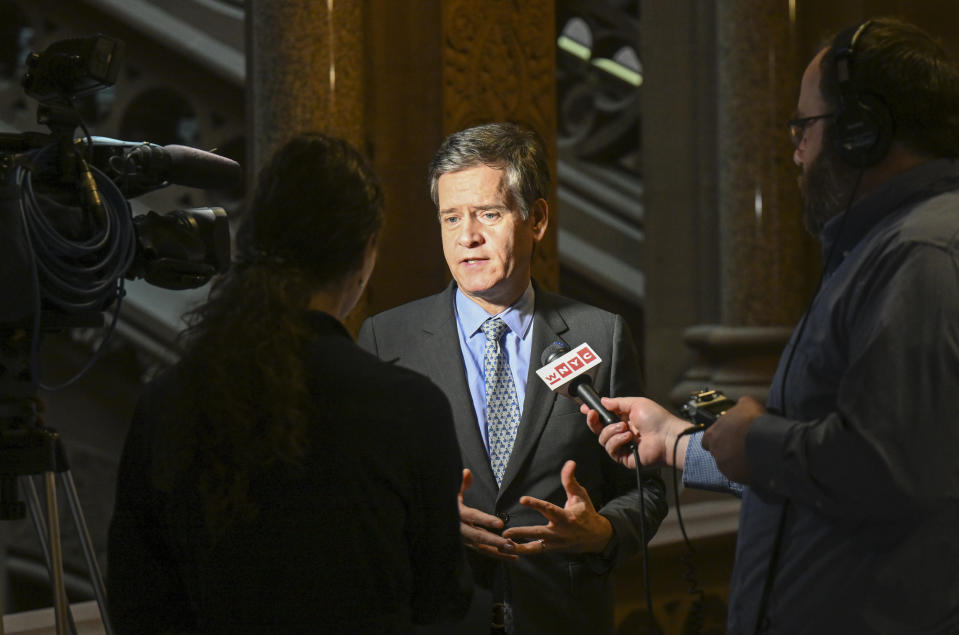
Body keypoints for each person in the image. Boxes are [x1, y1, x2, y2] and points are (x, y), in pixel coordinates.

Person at [584, 17, 959, 634]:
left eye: (804, 127)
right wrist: (676, 440)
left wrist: (757, 442)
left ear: (862, 131)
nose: (796, 151)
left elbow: (891, 467)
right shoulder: (885, 247)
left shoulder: (921, 255)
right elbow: (815, 468)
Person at [107, 132, 472, 633]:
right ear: (365, 254)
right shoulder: (412, 409)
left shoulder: (168, 400)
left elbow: (137, 604)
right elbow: (443, 606)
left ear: (253, 241)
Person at [358, 122, 667, 634]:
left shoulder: (600, 335)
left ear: (537, 219)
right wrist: (428, 525)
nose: (467, 237)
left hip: (562, 618)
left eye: (489, 214)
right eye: (451, 217)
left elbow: (646, 489)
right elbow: (355, 497)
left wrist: (603, 530)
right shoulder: (386, 340)